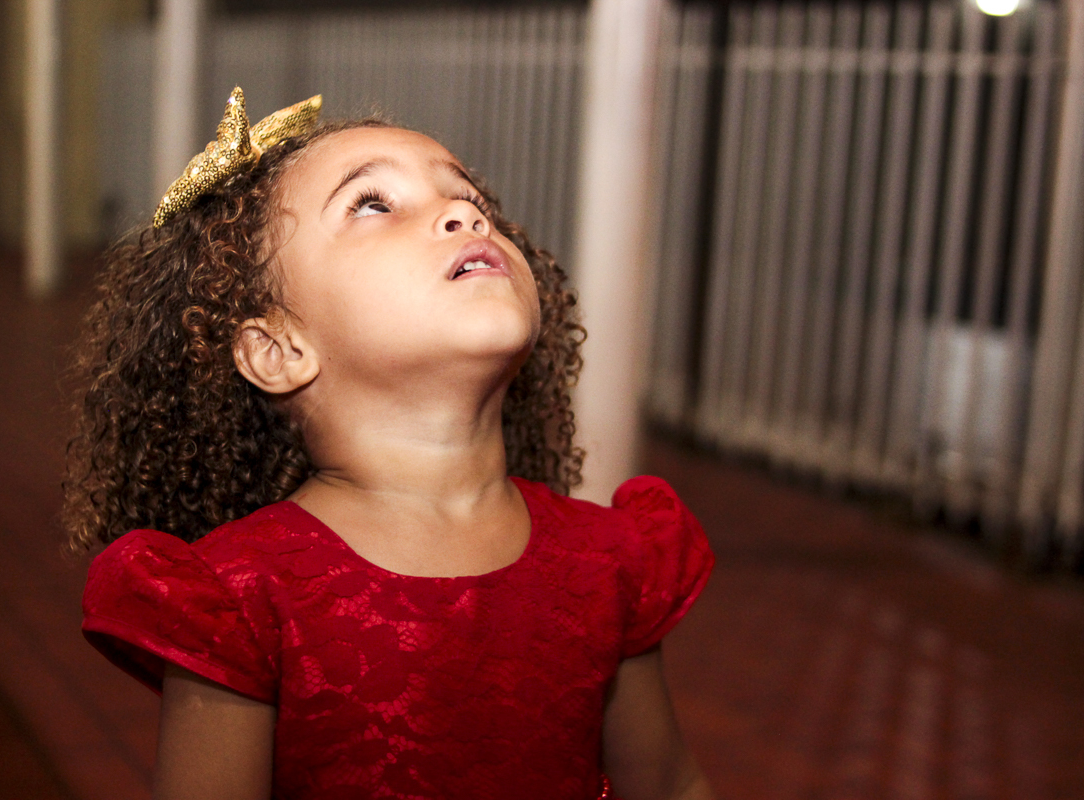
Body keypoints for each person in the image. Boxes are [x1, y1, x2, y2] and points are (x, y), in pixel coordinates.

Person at [66, 87, 715, 800]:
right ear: (278, 350)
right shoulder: (240, 598)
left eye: (470, 199)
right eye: (372, 203)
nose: (466, 214)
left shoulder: (609, 559)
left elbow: (670, 785)